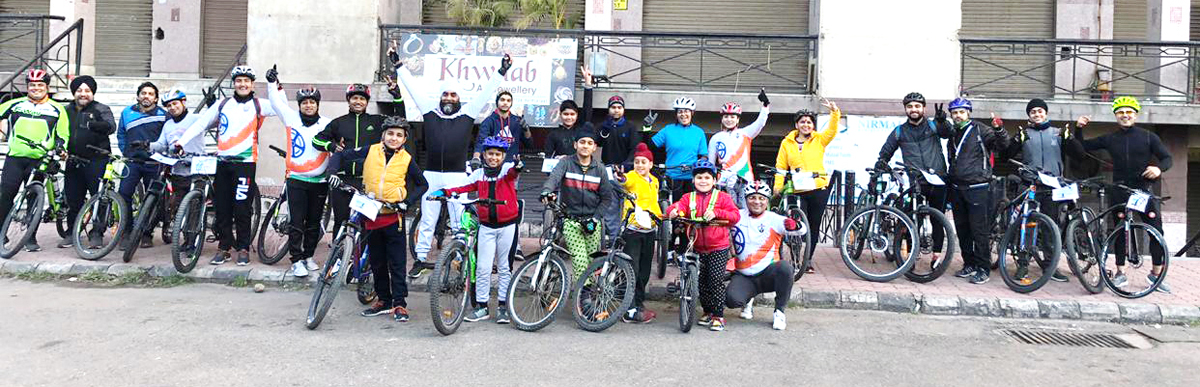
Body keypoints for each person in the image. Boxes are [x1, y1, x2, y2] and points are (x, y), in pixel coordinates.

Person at [389, 45, 512, 278]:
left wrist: (502, 71)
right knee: (427, 219)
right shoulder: (430, 112)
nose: (448, 98)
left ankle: (459, 258)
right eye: (445, 94)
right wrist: (398, 65)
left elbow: (487, 92)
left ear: (459, 99)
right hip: (431, 175)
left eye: (453, 95)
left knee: (458, 220)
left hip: (457, 176)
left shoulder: (468, 114)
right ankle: (421, 259)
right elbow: (413, 90)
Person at [326, 116, 428, 322]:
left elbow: (422, 185)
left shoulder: (407, 159)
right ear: (383, 135)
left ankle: (399, 303)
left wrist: (407, 203)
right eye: (390, 133)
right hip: (371, 216)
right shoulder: (370, 150)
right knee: (377, 261)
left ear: (404, 138)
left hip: (393, 218)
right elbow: (340, 156)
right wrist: (333, 172)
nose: (394, 138)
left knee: (396, 264)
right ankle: (383, 300)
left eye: (399, 135)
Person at [176, 66, 279, 266]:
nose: (242, 84)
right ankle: (224, 247)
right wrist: (181, 141)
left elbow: (280, 108)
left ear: (252, 84)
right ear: (234, 83)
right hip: (223, 163)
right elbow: (201, 124)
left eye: (246, 81)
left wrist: (273, 84)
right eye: (239, 81)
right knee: (222, 208)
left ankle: (243, 247)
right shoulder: (223, 104)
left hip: (245, 164)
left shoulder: (259, 104)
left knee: (242, 209)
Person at [1071, 96, 1173, 292]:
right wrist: (1079, 129)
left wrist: (1159, 169)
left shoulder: (1149, 137)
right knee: (1118, 230)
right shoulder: (1110, 138)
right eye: (1121, 113)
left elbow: (1167, 157)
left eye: (1129, 112)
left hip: (1143, 190)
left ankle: (1156, 275)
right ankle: (1120, 273)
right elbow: (1082, 147)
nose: (1125, 115)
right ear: (1116, 116)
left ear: (1135, 115)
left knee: (1156, 232)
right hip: (1119, 190)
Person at [433, 136, 523, 324]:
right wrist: (444, 192)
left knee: (505, 268)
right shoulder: (479, 174)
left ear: (503, 156)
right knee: (483, 268)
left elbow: (513, 174)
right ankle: (482, 307)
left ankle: (503, 308)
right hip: (486, 227)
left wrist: (518, 166)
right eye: (490, 154)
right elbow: (462, 186)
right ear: (483, 155)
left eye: (498, 154)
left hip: (508, 226)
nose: (494, 158)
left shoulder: (507, 170)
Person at [1001, 98, 1084, 282]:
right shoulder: (1025, 133)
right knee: (1027, 226)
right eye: (1033, 112)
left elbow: (1079, 155)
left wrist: (1072, 137)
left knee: (1051, 226)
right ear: (1029, 116)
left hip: (1053, 186)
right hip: (1030, 184)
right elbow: (1005, 156)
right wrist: (1016, 140)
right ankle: (1023, 265)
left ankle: (1050, 265)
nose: (1037, 114)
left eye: (1040, 111)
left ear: (1046, 113)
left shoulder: (1058, 133)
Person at [312, 80, 404, 240]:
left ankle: (360, 261)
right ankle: (338, 258)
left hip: (366, 181)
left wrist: (397, 96)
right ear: (349, 100)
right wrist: (331, 146)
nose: (358, 102)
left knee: (366, 223)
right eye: (354, 98)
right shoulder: (338, 123)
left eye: (362, 99)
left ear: (367, 102)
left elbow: (400, 119)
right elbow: (316, 141)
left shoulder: (376, 121)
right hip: (342, 180)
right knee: (341, 221)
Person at [266, 67, 331, 277]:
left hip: (320, 182)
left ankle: (308, 256)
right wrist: (271, 82)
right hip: (296, 180)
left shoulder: (327, 124)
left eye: (312, 102)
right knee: (296, 223)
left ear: (317, 104)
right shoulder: (291, 118)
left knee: (314, 222)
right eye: (304, 102)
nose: (308, 105)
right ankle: (296, 260)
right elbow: (276, 103)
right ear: (300, 105)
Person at [664, 159, 740, 332]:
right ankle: (707, 311)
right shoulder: (687, 197)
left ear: (714, 180)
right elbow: (675, 207)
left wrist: (717, 213)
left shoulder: (723, 197)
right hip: (696, 246)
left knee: (715, 281)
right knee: (701, 282)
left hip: (718, 247)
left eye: (707, 177)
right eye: (699, 177)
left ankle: (718, 315)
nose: (703, 181)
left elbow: (735, 216)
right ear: (693, 180)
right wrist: (673, 211)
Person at [0, 69, 70, 253]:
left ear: (46, 87)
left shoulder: (57, 109)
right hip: (15, 157)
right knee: (5, 195)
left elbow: (63, 134)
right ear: (27, 87)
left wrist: (60, 148)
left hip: (41, 160)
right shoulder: (14, 104)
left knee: (34, 200)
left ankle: (29, 237)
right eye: (32, 85)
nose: (36, 88)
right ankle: (1, 233)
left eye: (40, 85)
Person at [941, 97, 1008, 285]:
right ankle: (968, 263)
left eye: (961, 112)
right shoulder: (953, 132)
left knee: (979, 230)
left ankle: (983, 268)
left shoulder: (981, 130)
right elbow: (943, 133)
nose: (958, 116)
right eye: (954, 113)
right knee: (962, 229)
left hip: (978, 187)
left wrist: (999, 129)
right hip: (957, 186)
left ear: (968, 112)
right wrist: (940, 121)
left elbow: (1002, 145)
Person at [876, 92, 947, 261]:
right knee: (912, 220)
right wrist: (881, 162)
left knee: (938, 220)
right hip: (916, 181)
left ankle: (936, 256)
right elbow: (886, 151)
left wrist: (943, 121)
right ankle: (910, 255)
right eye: (910, 107)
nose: (913, 109)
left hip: (938, 178)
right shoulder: (899, 131)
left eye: (917, 106)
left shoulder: (933, 126)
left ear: (923, 108)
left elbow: (947, 133)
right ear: (906, 110)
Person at [725, 180, 803, 331]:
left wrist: (793, 225)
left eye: (761, 198)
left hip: (768, 273)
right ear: (746, 199)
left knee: (785, 268)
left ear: (767, 201)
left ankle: (779, 312)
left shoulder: (774, 218)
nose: (756, 202)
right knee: (731, 300)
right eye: (752, 197)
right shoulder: (737, 216)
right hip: (744, 275)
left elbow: (802, 230)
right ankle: (748, 300)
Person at [540, 128, 614, 280]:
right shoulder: (565, 163)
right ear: (575, 145)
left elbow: (606, 198)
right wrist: (547, 191)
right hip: (570, 221)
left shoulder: (600, 169)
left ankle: (588, 293)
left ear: (594, 147)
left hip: (593, 221)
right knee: (580, 261)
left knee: (593, 261)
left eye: (589, 143)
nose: (585, 146)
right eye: (582, 142)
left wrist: (595, 218)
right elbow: (553, 179)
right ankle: (583, 297)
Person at [773, 98, 840, 265]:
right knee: (797, 223)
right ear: (797, 125)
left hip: (818, 188)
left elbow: (832, 130)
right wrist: (778, 185)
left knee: (814, 224)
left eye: (809, 122)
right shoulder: (787, 143)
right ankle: (796, 256)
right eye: (802, 122)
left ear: (813, 125)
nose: (806, 125)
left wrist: (834, 112)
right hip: (798, 189)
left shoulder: (819, 139)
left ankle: (807, 259)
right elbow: (781, 166)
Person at [59, 75, 116, 249]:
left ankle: (97, 233)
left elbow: (111, 126)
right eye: (79, 91)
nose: (83, 94)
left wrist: (95, 125)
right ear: (73, 92)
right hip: (73, 160)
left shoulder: (101, 109)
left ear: (92, 93)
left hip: (97, 160)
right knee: (73, 199)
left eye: (87, 91)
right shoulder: (65, 110)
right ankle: (71, 232)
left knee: (100, 198)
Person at [613, 143, 662, 324]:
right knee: (631, 270)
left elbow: (655, 203)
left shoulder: (655, 181)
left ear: (650, 164)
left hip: (649, 230)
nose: (640, 165)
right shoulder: (632, 176)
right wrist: (620, 176)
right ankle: (629, 309)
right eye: (636, 162)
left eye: (643, 162)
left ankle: (639, 305)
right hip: (632, 230)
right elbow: (624, 180)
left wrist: (660, 216)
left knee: (644, 272)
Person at [116, 81, 167, 249]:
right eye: (143, 93)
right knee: (124, 194)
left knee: (154, 200)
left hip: (154, 163)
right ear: (138, 96)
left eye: (151, 94)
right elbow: (121, 133)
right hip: (133, 162)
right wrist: (125, 151)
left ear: (156, 98)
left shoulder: (163, 115)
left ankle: (146, 233)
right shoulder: (127, 112)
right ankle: (127, 232)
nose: (146, 96)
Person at [149, 89, 202, 245]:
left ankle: (190, 241)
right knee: (179, 206)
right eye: (168, 105)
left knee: (194, 206)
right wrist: (147, 145)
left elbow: (215, 123)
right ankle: (182, 233)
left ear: (183, 102)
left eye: (175, 103)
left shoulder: (196, 119)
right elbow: (161, 144)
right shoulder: (168, 125)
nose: (172, 107)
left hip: (196, 169)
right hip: (178, 170)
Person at [594, 91, 645, 244]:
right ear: (609, 109)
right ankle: (615, 238)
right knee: (611, 205)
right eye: (613, 107)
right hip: (608, 170)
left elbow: (635, 148)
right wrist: (606, 128)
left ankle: (627, 235)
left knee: (627, 204)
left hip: (627, 171)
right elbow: (597, 143)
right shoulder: (604, 126)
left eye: (619, 107)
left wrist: (625, 165)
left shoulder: (630, 127)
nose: (616, 110)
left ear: (623, 110)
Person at [707, 88, 770, 209]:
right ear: (722, 118)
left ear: (737, 119)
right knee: (727, 212)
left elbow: (760, 122)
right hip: (724, 181)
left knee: (746, 212)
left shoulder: (745, 133)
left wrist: (765, 105)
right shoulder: (716, 138)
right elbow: (711, 163)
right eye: (726, 116)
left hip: (744, 179)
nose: (729, 120)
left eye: (732, 117)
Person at [650, 96, 708, 200]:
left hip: (691, 177)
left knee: (691, 207)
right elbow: (650, 146)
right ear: (676, 114)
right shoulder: (668, 129)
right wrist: (647, 128)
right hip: (672, 176)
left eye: (686, 111)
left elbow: (703, 155)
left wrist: (697, 164)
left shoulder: (699, 132)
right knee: (674, 207)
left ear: (692, 113)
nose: (683, 114)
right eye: (680, 112)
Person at [543, 67, 595, 159]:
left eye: (572, 114)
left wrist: (588, 83)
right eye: (566, 114)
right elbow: (547, 157)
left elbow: (587, 108)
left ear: (577, 115)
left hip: (579, 170)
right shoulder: (553, 134)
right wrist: (556, 159)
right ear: (560, 115)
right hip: (561, 170)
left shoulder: (581, 129)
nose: (569, 117)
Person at [473, 90, 531, 164]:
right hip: (493, 164)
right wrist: (476, 158)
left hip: (511, 165)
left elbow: (529, 144)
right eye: (502, 100)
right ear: (497, 102)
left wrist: (526, 129)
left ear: (511, 103)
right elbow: (481, 142)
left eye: (508, 100)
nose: (505, 103)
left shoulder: (517, 121)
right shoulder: (489, 121)